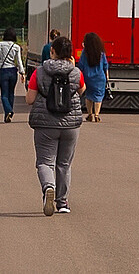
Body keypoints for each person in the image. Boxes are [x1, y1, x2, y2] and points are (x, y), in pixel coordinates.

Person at [27, 34, 86, 215]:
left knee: (45, 162)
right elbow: (82, 91)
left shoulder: (39, 72)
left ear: (52, 52)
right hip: (70, 125)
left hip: (45, 124)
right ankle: (62, 203)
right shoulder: (76, 73)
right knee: (64, 164)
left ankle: (48, 188)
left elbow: (30, 99)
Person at [77, 32, 110, 122]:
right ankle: (97, 115)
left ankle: (90, 114)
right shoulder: (101, 53)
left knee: (89, 96)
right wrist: (107, 77)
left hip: (88, 77)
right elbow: (105, 65)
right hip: (100, 78)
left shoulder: (85, 52)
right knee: (98, 96)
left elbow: (81, 65)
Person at [0, 27, 24, 124]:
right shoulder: (16, 47)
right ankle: (8, 112)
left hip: (3, 71)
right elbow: (19, 61)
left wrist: (0, 64)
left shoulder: (0, 44)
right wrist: (22, 72)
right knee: (11, 93)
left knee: (4, 95)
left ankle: (8, 110)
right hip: (13, 71)